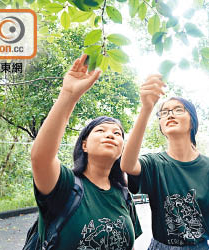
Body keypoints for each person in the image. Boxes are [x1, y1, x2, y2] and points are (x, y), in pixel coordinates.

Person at [30, 55, 141, 250]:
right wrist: (68, 94)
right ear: (84, 145)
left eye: (117, 133)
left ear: (122, 148)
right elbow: (41, 158)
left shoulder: (124, 196)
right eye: (100, 130)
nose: (110, 135)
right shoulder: (65, 185)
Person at [121, 74, 209, 250]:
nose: (170, 115)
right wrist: (146, 109)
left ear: (192, 121)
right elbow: (127, 165)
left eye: (178, 110)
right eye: (164, 112)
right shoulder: (154, 163)